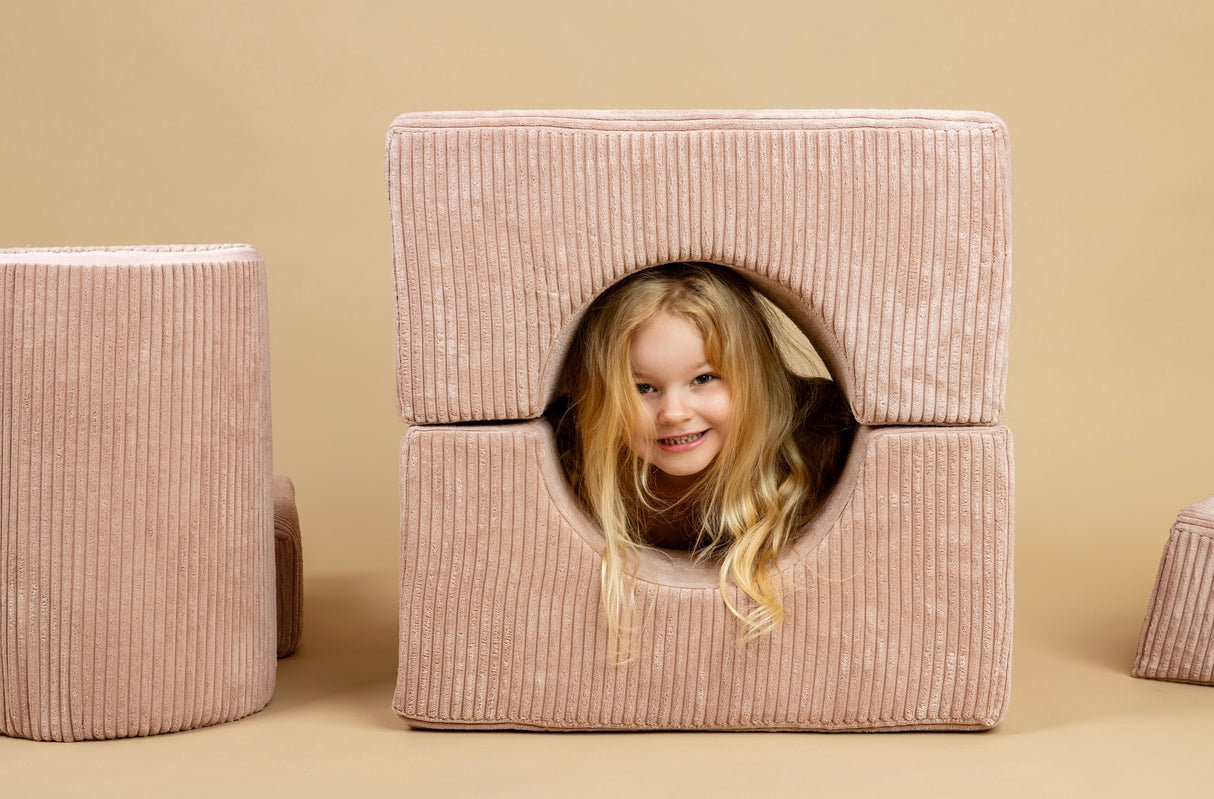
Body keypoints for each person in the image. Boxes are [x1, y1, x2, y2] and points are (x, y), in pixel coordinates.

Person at [552, 262, 855, 648]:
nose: (674, 413)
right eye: (642, 388)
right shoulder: (572, 460)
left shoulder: (819, 447)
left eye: (703, 379)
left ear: (754, 379)